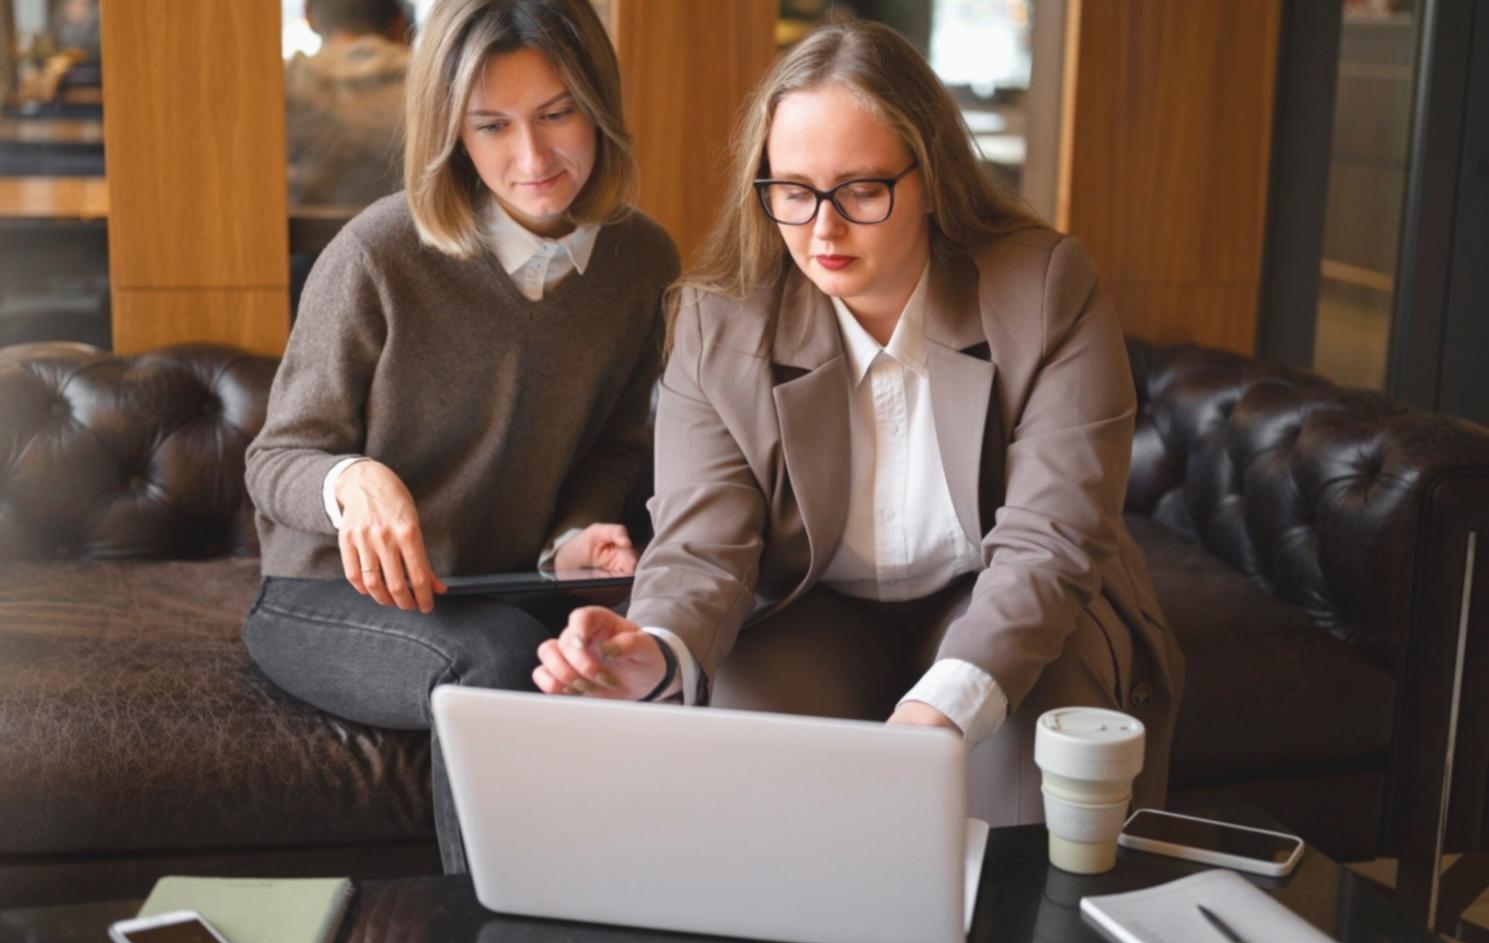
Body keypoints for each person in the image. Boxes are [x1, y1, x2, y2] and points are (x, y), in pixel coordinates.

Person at [532, 20, 1183, 817]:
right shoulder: (717, 322)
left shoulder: (1043, 286)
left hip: (1007, 596)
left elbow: (1051, 541)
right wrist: (657, 650)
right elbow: (704, 546)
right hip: (817, 606)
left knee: (1013, 801)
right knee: (756, 788)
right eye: (793, 191)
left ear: (933, 179)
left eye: (862, 190)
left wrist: (942, 707)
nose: (822, 230)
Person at [243, 0, 679, 872]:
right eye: (492, 125)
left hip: (503, 581)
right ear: (451, 131)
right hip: (327, 598)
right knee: (500, 662)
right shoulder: (378, 253)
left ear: (598, 103)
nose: (532, 158)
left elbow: (615, 449)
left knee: (658, 652)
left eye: (558, 113)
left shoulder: (642, 263)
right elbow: (275, 458)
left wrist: (574, 538)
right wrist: (353, 481)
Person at [285, 0, 411, 206]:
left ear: (308, 14)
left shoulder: (280, 84)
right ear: (399, 23)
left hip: (294, 237)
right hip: (406, 236)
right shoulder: (432, 83)